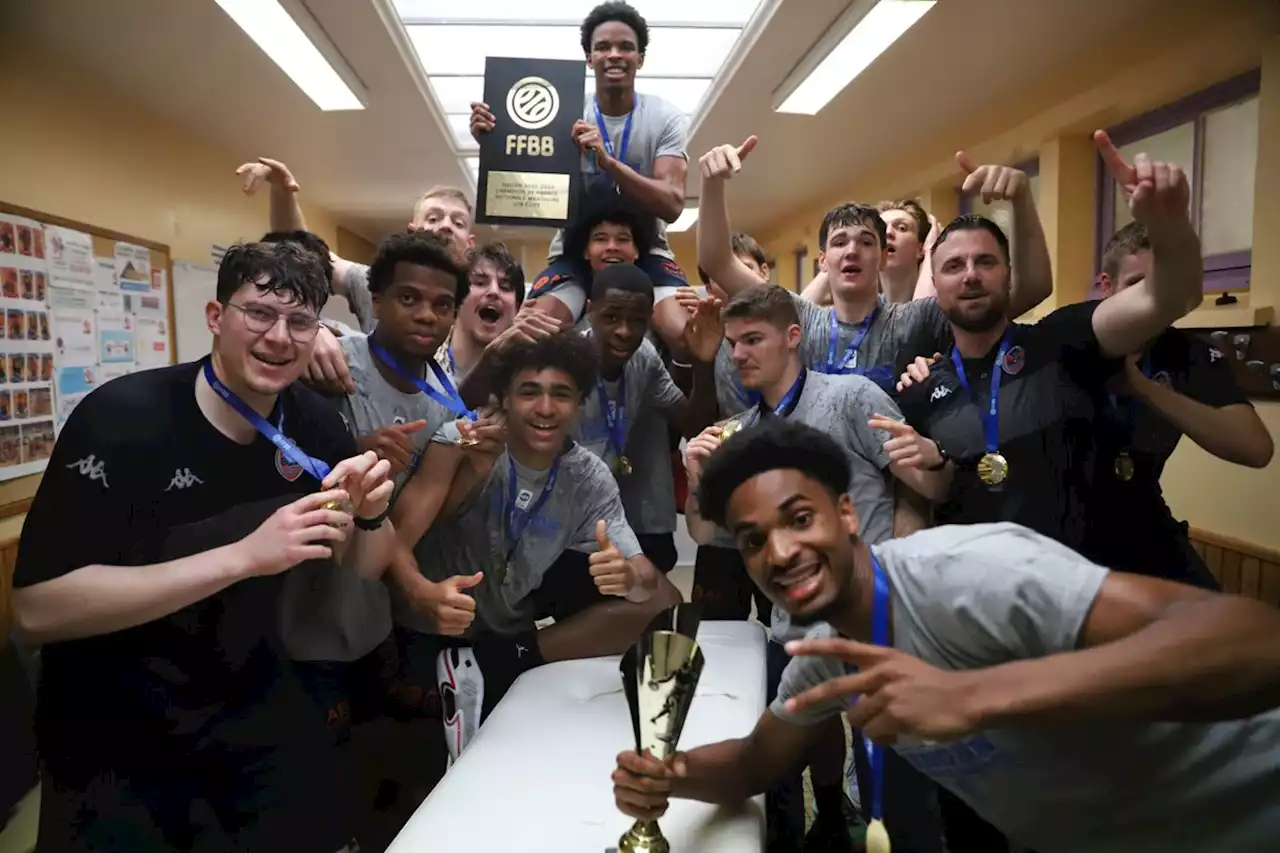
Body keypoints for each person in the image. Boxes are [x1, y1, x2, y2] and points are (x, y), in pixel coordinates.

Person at [612, 418, 1280, 853]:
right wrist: (667, 774)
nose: (780, 551)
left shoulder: (968, 570)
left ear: (847, 514)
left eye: (798, 518)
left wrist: (975, 694)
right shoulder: (826, 661)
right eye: (755, 540)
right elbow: (757, 761)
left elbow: (1255, 639)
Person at [12, 242, 396, 853]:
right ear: (216, 317)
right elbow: (37, 609)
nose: (279, 337)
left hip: (251, 708)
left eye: (300, 322)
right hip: (114, 729)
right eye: (259, 314)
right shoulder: (122, 419)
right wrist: (244, 556)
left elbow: (363, 567)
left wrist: (372, 517)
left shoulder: (316, 421)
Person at [683, 284, 950, 852]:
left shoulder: (852, 397)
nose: (739, 355)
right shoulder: (738, 435)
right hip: (795, 625)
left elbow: (925, 486)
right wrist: (699, 477)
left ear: (793, 337)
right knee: (801, 751)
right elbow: (707, 533)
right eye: (732, 344)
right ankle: (827, 818)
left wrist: (908, 539)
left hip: (870, 615)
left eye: (753, 340)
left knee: (892, 776)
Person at [895, 134, 1206, 556]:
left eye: (985, 261)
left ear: (1009, 275)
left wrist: (1170, 227)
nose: (970, 275)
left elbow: (1171, 296)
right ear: (937, 286)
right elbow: (913, 497)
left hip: (1074, 597)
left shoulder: (1062, 342)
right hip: (975, 596)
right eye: (953, 266)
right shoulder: (918, 386)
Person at [389, 332, 683, 761]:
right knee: (429, 782)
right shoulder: (464, 439)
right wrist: (421, 592)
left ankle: (514, 659)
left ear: (579, 401)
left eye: (561, 394)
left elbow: (651, 589)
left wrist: (628, 575)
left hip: (505, 634)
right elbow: (394, 539)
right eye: (530, 392)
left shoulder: (588, 478)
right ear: (504, 397)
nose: (546, 409)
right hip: (433, 629)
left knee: (661, 609)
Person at [697, 138, 1054, 400]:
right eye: (839, 243)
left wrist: (1021, 200)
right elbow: (717, 261)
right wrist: (712, 185)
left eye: (866, 242)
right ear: (823, 261)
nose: (852, 250)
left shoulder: (916, 320)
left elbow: (1031, 289)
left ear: (883, 257)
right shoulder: (800, 317)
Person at [469, 1, 694, 357]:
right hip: (574, 248)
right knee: (532, 333)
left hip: (645, 248)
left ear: (640, 58)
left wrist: (609, 163)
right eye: (603, 47)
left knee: (683, 334)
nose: (614, 55)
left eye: (625, 47)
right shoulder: (565, 110)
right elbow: (529, 184)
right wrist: (497, 143)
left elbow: (671, 204)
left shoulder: (666, 117)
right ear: (589, 58)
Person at [1086, 221, 1273, 587]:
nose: (1151, 300)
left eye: (1163, 286)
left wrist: (1145, 389)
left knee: (1220, 621)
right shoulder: (1071, 340)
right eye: (1137, 284)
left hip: (1144, 520)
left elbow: (1255, 448)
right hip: (1062, 531)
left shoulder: (1187, 353)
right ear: (1106, 287)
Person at [876, 199, 938, 305]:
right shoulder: (863, 312)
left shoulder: (945, 307)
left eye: (902, 228)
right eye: (881, 229)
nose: (888, 232)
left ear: (920, 249)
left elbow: (923, 315)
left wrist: (930, 249)